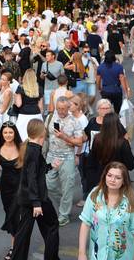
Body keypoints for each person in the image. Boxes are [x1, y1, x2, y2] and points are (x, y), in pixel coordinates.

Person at [11, 119, 60, 260]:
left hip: (27, 199)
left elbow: (36, 172)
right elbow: (31, 178)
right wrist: (36, 203)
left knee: (24, 232)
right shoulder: (34, 151)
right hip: (37, 199)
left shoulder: (31, 148)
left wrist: (50, 166)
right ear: (41, 133)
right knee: (52, 226)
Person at [78, 162, 134, 260]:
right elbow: (86, 223)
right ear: (104, 176)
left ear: (124, 181)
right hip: (98, 256)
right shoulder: (95, 195)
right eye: (109, 175)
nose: (112, 180)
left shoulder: (131, 200)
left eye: (118, 177)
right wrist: (81, 253)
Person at [45, 96, 86, 227]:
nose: (61, 111)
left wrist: (64, 136)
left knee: (68, 187)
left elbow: (79, 141)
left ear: (68, 108)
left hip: (67, 157)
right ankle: (65, 202)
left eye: (63, 109)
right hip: (51, 156)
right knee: (48, 184)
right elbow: (45, 135)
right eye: (58, 109)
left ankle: (64, 215)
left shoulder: (75, 121)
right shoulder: (50, 117)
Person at [0, 121, 22, 257]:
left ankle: (14, 248)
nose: (8, 135)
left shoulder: (21, 147)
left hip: (20, 187)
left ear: (15, 133)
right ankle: (18, 243)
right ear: (1, 134)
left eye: (10, 132)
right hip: (6, 187)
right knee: (10, 214)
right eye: (5, 132)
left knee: (15, 217)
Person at [84, 113, 134, 193]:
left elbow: (92, 160)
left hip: (100, 178)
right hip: (118, 180)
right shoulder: (122, 143)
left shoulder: (97, 139)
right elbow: (131, 165)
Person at [13, 69, 43, 141]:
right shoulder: (39, 88)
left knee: (22, 138)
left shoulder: (20, 88)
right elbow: (41, 106)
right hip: (36, 114)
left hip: (24, 115)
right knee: (36, 138)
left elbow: (19, 104)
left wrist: (15, 97)